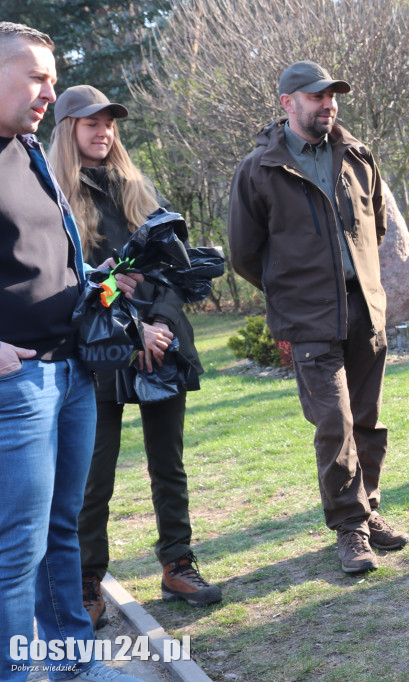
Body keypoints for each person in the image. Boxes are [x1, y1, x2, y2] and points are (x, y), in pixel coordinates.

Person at [0, 21, 143, 682]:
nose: (48, 95)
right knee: (16, 551)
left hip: (73, 372)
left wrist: (102, 286)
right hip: (18, 384)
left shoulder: (28, 150)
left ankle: (71, 663)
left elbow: (52, 258)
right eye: (36, 77)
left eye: (52, 81)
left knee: (63, 530)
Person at [49, 84, 222, 627]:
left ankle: (177, 563)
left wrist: (160, 326)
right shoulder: (51, 197)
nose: (102, 132)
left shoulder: (140, 190)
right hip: (96, 355)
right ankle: (87, 584)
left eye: (109, 123)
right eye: (89, 123)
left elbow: (175, 271)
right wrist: (127, 318)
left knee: (167, 464)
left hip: (160, 347)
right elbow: (69, 286)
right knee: (92, 475)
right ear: (67, 130)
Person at [229, 61, 408, 574]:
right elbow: (244, 253)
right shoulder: (259, 170)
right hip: (309, 320)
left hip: (363, 308)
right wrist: (296, 293)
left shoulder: (356, 155)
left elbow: (372, 229)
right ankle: (349, 529)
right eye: (315, 96)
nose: (327, 103)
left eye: (332, 95)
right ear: (287, 103)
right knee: (335, 423)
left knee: (369, 420)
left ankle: (368, 510)